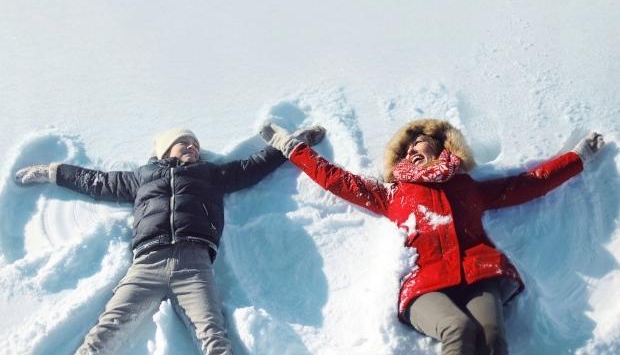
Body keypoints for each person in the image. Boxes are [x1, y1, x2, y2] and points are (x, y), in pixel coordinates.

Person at [260, 119, 605, 355]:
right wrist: (290, 146)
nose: (414, 149)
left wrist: (578, 158)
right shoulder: (393, 193)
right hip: (425, 285)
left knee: (492, 335)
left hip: (479, 271)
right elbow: (335, 178)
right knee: (458, 329)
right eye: (408, 148)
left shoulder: (467, 186)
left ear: (442, 149)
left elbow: (528, 184)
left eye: (421, 144)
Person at [14, 126, 325, 355]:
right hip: (147, 263)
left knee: (214, 338)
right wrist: (51, 172)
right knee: (105, 332)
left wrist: (296, 141)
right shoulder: (141, 177)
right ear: (165, 150)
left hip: (194, 265)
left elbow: (254, 165)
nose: (191, 147)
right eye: (183, 143)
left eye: (194, 145)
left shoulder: (211, 175)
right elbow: (95, 181)